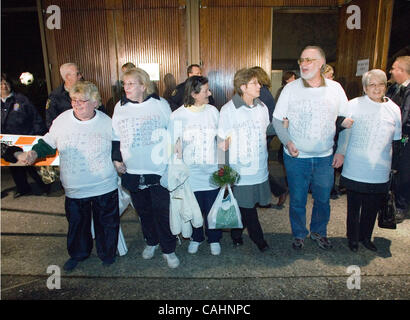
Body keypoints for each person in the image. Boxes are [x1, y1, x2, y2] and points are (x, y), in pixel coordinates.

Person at [22, 81, 120, 271]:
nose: (76, 105)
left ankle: (107, 254)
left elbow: (117, 145)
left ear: (95, 102)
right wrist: (34, 153)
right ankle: (78, 254)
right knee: (77, 224)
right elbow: (48, 142)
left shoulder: (106, 121)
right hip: (75, 186)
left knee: (107, 223)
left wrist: (119, 161)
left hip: (104, 184)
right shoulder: (62, 120)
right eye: (74, 100)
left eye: (81, 101)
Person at [272, 46, 349, 250]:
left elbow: (347, 121)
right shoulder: (291, 89)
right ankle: (299, 234)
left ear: (322, 64)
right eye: (301, 60)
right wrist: (287, 141)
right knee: (297, 200)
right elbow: (278, 120)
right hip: (296, 158)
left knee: (323, 200)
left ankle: (318, 232)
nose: (303, 64)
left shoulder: (335, 89)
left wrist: (341, 150)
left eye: (309, 60)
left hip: (325, 157)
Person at [111, 68, 179, 268]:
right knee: (143, 211)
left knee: (161, 210)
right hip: (132, 170)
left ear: (143, 86)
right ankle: (152, 242)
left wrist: (176, 152)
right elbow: (115, 137)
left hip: (158, 168)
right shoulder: (120, 107)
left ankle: (169, 249)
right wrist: (116, 160)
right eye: (125, 84)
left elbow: (173, 131)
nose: (126, 87)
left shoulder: (160, 104)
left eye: (131, 83)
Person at [335, 69, 401, 252]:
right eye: (372, 84)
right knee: (354, 206)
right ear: (365, 88)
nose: (377, 88)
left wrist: (394, 167)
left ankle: (366, 237)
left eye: (381, 84)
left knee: (372, 207)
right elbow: (343, 133)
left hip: (380, 168)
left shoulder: (394, 109)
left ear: (386, 86)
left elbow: (397, 141)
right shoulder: (353, 105)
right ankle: (353, 238)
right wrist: (340, 152)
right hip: (356, 165)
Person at [218, 68, 271, 252]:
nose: (259, 86)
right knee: (248, 207)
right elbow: (221, 142)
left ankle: (236, 233)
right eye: (255, 83)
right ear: (243, 87)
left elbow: (266, 131)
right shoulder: (228, 110)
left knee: (245, 204)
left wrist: (283, 127)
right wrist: (222, 172)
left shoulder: (262, 107)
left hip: (259, 167)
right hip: (240, 169)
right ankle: (259, 239)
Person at [169, 75, 222, 255]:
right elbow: (173, 145)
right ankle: (197, 237)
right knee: (194, 207)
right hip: (190, 173)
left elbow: (220, 140)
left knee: (213, 208)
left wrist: (223, 167)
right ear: (194, 93)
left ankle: (214, 238)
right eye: (206, 90)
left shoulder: (213, 112)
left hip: (212, 170)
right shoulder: (178, 115)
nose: (210, 93)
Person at [1, 73, 49, 198]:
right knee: (15, 166)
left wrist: (39, 134)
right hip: (7, 140)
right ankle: (23, 188)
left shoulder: (21, 99)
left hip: (26, 137)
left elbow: (35, 117)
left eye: (6, 82)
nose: (4, 86)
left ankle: (44, 186)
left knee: (32, 164)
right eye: (1, 83)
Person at [250, 66, 287, 207]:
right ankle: (262, 197)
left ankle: (277, 191)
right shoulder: (265, 91)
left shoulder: (261, 94)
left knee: (259, 167)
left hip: (263, 132)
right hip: (266, 132)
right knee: (259, 167)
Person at [386, 56, 410, 223]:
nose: (391, 71)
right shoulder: (394, 88)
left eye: (394, 68)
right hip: (395, 136)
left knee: (404, 173)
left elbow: (404, 116)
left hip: (405, 138)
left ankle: (402, 207)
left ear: (402, 71)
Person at [45, 63, 105, 128]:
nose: (81, 76)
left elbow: (101, 111)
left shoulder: (89, 89)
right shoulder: (55, 97)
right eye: (77, 74)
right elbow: (51, 123)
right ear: (68, 77)